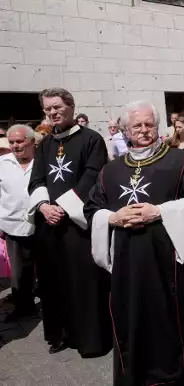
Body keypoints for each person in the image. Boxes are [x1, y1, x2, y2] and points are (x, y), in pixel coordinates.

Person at [85, 100, 184, 386]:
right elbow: (92, 208)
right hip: (128, 261)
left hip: (171, 258)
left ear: (157, 126)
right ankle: (140, 371)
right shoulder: (110, 170)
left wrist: (160, 211)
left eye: (149, 124)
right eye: (136, 125)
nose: (143, 130)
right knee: (135, 315)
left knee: (174, 315)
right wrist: (112, 217)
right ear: (126, 130)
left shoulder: (179, 161)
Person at [26, 87, 111, 356]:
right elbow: (37, 179)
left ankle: (90, 339)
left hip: (77, 225)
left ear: (71, 107)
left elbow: (92, 176)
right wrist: (43, 206)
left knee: (82, 282)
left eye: (57, 107)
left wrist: (61, 206)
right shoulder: (46, 144)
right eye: (48, 109)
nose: (52, 113)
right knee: (53, 283)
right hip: (49, 224)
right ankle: (60, 334)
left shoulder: (91, 139)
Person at [0, 125, 37, 322]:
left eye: (20, 141)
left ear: (32, 142)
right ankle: (24, 306)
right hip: (12, 223)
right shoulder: (1, 163)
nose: (15, 145)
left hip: (42, 225)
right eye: (12, 142)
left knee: (48, 267)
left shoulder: (42, 163)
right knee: (19, 271)